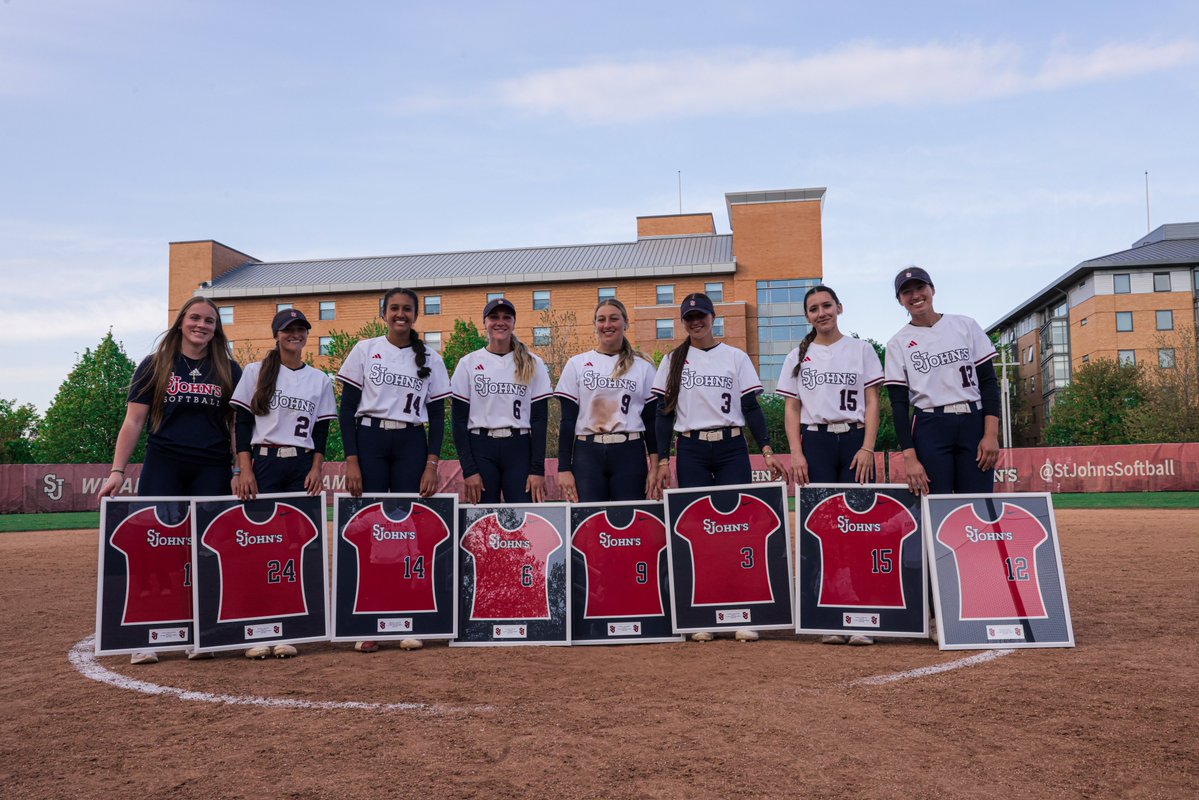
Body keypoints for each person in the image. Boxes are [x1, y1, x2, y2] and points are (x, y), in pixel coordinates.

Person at [97, 296, 241, 665]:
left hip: (212, 467)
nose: (201, 325)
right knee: (156, 549)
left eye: (209, 321)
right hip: (164, 464)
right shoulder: (155, 364)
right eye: (195, 318)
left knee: (205, 550)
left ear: (216, 329)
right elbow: (133, 421)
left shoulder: (228, 369)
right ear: (181, 322)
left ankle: (202, 632)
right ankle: (146, 635)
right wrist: (117, 471)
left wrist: (239, 470)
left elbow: (236, 426)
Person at [651, 293, 785, 642]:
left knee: (737, 528)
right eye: (689, 317)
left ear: (713, 318)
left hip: (731, 447)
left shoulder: (735, 357)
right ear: (684, 322)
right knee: (699, 530)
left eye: (701, 315)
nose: (696, 322)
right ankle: (702, 614)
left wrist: (767, 448)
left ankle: (742, 610)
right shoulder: (673, 360)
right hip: (691, 447)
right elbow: (663, 414)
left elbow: (751, 407)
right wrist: (663, 459)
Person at [885, 266, 1000, 644]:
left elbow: (989, 383)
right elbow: (898, 405)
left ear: (932, 289)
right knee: (935, 520)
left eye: (920, 288)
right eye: (907, 292)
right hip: (930, 425)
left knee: (977, 515)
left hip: (972, 422)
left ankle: (980, 601)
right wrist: (910, 456)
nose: (915, 295)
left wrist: (991, 433)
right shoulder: (898, 343)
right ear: (900, 300)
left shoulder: (965, 325)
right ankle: (937, 612)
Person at [336, 287, 451, 653]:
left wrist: (432, 464)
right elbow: (346, 410)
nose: (401, 314)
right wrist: (352, 460)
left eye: (407, 309)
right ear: (383, 313)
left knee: (407, 531)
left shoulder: (431, 357)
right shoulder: (365, 350)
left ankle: (409, 614)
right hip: (370, 439)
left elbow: (437, 416)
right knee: (373, 530)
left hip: (411, 441)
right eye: (394, 308)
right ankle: (369, 620)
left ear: (416, 315)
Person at [777, 284, 883, 646]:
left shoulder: (861, 349)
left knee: (858, 525)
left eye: (826, 305)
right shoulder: (797, 357)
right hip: (816, 442)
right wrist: (796, 452)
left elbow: (872, 401)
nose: (821, 312)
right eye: (813, 308)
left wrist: (868, 447)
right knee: (822, 529)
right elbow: (792, 407)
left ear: (839, 307)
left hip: (854, 441)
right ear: (807, 316)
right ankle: (827, 612)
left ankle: (860, 614)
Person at [227, 309, 336, 658]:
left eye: (301, 329)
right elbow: (243, 423)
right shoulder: (256, 371)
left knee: (294, 547)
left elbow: (322, 430)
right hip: (265, 463)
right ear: (276, 334)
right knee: (260, 546)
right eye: (288, 329)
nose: (295, 334)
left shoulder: (319, 379)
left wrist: (317, 467)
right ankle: (259, 627)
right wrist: (244, 469)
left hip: (301, 465)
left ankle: (290, 626)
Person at [555, 298, 659, 502]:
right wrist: (564, 468)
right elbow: (567, 421)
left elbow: (651, 421)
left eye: (614, 318)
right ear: (595, 324)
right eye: (601, 319)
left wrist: (655, 466)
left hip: (629, 452)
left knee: (628, 517)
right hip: (588, 453)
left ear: (626, 323)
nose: (607, 324)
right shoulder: (577, 364)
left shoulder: (643, 367)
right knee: (589, 517)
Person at [450, 297, 552, 505]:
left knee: (522, 513)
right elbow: (458, 422)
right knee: (484, 515)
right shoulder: (468, 363)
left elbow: (539, 420)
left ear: (514, 323)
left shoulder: (533, 362)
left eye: (507, 317)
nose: (500, 322)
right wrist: (469, 470)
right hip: (481, 446)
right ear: (484, 322)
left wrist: (537, 469)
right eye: (494, 317)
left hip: (519, 446)